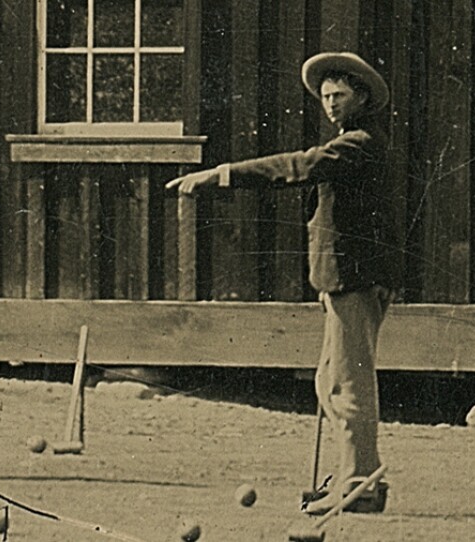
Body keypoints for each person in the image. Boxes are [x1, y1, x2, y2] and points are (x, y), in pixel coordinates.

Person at [166, 52, 400, 514]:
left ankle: (360, 485)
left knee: (347, 384)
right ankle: (353, 474)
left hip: (355, 276)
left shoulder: (360, 143)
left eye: (341, 96)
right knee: (329, 381)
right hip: (344, 276)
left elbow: (300, 165)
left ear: (363, 97)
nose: (331, 104)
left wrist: (222, 175)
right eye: (327, 97)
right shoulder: (353, 141)